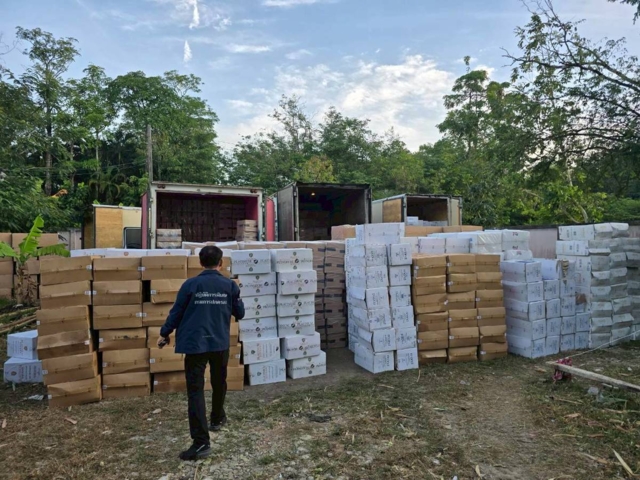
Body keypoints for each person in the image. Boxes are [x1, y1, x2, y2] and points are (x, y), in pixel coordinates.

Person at [158, 246, 245, 461]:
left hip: (195, 343)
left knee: (195, 390)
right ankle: (217, 418)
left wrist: (165, 333)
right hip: (219, 342)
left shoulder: (190, 285)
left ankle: (201, 442)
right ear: (221, 263)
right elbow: (240, 313)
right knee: (219, 381)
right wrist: (236, 296)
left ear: (200, 263)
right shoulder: (229, 286)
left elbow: (176, 312)